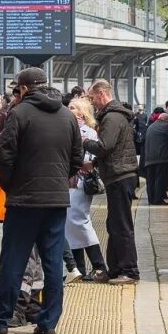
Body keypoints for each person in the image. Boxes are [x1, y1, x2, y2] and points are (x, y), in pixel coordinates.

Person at [0, 67, 82, 334]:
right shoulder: (67, 115)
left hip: (24, 200)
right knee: (53, 261)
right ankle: (49, 321)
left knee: (13, 259)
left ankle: (0, 318)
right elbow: (76, 157)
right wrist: (58, 181)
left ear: (24, 89)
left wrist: (9, 185)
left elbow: (5, 156)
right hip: (56, 200)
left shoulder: (19, 114)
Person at [82, 79, 139, 284]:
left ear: (101, 94)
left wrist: (84, 141)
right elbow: (113, 149)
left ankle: (129, 270)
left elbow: (105, 145)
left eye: (92, 98)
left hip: (120, 176)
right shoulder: (113, 116)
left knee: (121, 225)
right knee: (114, 224)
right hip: (118, 175)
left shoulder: (112, 117)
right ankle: (115, 269)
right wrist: (95, 163)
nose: (91, 103)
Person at [65, 97, 106, 280]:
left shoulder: (87, 132)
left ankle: (99, 266)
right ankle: (79, 267)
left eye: (72, 107)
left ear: (81, 112)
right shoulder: (68, 128)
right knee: (71, 223)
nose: (68, 109)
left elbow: (90, 156)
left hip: (79, 181)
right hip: (70, 181)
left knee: (79, 221)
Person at [142, 107, 168, 206]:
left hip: (149, 158)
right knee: (160, 178)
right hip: (161, 158)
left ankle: (151, 199)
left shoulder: (150, 127)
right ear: (166, 120)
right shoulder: (166, 126)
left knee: (150, 180)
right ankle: (158, 200)